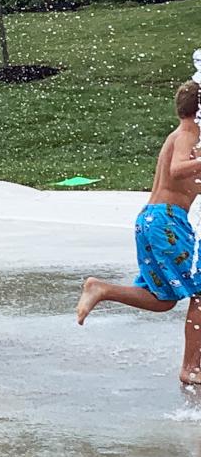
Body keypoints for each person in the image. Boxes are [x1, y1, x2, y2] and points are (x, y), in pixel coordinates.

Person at [77, 80, 201, 384]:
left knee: (162, 299)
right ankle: (191, 368)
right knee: (200, 294)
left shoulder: (184, 136)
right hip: (166, 222)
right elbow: (176, 170)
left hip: (153, 221)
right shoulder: (188, 133)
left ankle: (102, 289)